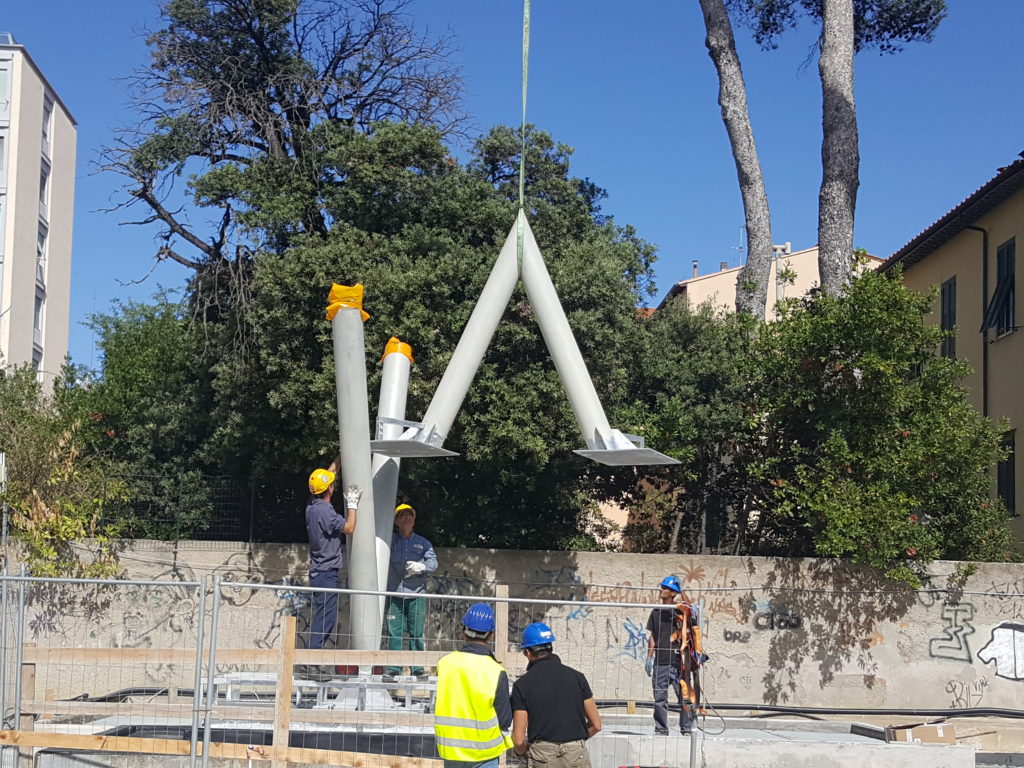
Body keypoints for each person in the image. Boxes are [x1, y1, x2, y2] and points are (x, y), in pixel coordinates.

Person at [511, 623, 601, 768]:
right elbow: (596, 725)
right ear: (551, 647)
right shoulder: (578, 677)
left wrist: (522, 753)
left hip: (542, 756)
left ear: (527, 652)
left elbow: (519, 740)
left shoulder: (522, 685)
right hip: (576, 755)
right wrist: (575, 743)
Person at [434, 603, 513, 768]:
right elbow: (504, 719)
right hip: (485, 753)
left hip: (452, 751)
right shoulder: (496, 671)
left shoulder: (445, 664)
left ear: (463, 632)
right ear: (491, 635)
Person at [305, 469, 359, 654]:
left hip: (319, 571)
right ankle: (311, 657)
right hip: (326, 573)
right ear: (329, 488)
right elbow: (349, 528)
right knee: (326, 618)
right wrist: (352, 504)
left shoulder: (312, 505)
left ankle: (311, 657)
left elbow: (328, 474)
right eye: (332, 484)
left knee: (323, 614)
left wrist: (340, 458)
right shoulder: (325, 511)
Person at [386, 502, 438, 677]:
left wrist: (422, 566)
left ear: (414, 521)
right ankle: (394, 668)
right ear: (396, 521)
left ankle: (417, 668)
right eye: (403, 515)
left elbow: (433, 563)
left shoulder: (423, 543)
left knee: (416, 633)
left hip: (416, 595)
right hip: (394, 594)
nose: (407, 518)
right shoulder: (390, 541)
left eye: (410, 515)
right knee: (394, 632)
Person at [646, 575, 691, 735]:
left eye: (666, 588)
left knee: (684, 697)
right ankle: (661, 728)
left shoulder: (679, 610)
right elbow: (653, 636)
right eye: (662, 587)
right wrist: (649, 657)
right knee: (659, 698)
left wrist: (682, 589)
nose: (662, 590)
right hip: (661, 662)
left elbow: (689, 608)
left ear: (673, 593)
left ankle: (686, 729)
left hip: (679, 662)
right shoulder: (656, 612)